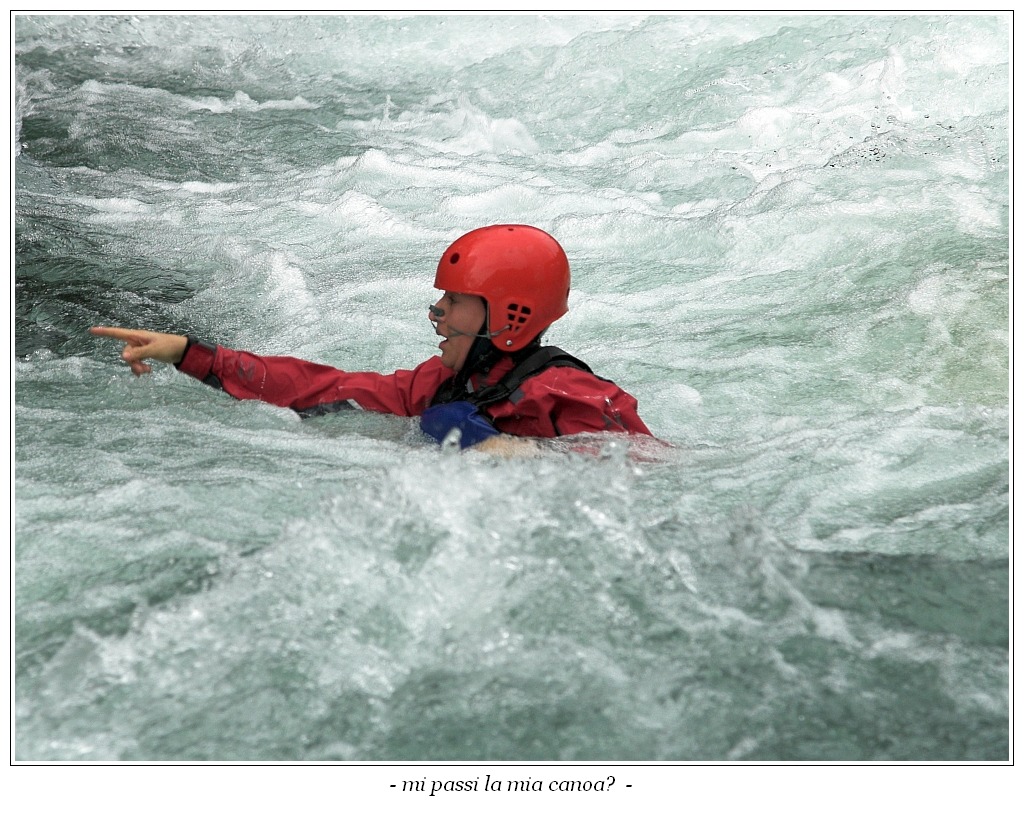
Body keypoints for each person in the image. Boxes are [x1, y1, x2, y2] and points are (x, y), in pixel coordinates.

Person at [91, 224, 653, 451]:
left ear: (509, 316)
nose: (436, 312)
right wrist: (192, 355)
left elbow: (650, 476)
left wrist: (519, 454)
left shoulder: (572, 396)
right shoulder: (446, 384)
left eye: (454, 301)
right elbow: (323, 388)